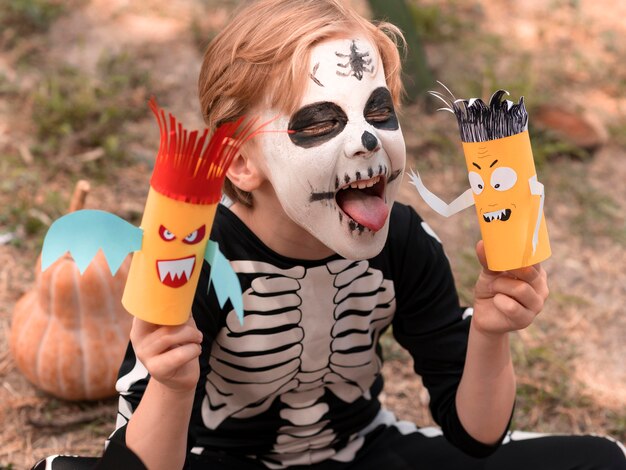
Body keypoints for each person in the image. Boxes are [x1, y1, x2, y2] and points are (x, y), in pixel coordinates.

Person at [33, 0, 626, 469]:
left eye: (379, 113)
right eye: (319, 123)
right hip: (215, 459)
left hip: (362, 452)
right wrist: (169, 381)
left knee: (599, 461)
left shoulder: (403, 241)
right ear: (240, 163)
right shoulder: (192, 259)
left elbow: (476, 437)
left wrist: (491, 335)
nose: (366, 143)